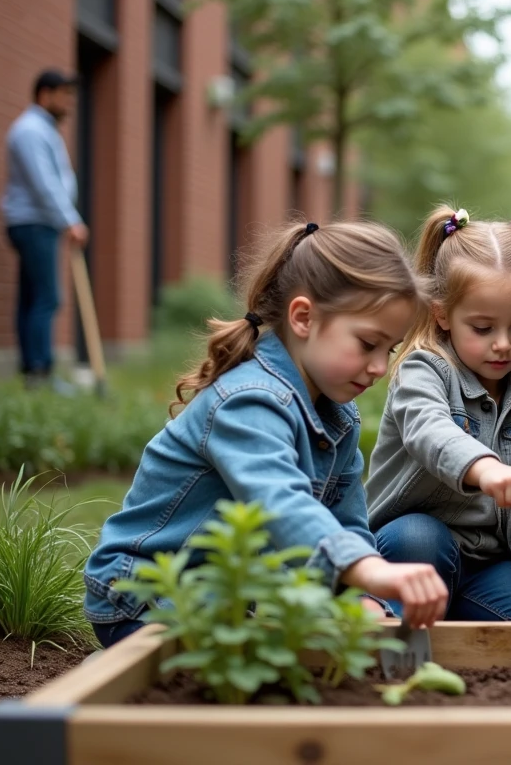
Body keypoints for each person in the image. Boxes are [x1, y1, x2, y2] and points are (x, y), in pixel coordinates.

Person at [84, 220, 448, 647]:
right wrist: (370, 568)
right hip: (147, 598)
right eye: (367, 344)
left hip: (228, 602)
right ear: (303, 318)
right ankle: (121, 682)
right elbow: (281, 502)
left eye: (388, 349)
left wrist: (364, 597)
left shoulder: (339, 418)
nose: (379, 367)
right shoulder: (248, 400)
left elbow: (347, 522)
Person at [366, 206, 511, 621]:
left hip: (486, 568)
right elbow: (428, 431)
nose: (503, 344)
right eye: (483, 329)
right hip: (411, 557)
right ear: (442, 313)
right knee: (419, 537)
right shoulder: (423, 370)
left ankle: (454, 618)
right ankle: (390, 624)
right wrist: (485, 468)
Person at [2, 69, 90, 390]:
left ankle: (32, 372)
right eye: (64, 94)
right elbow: (45, 184)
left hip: (38, 222)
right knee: (47, 298)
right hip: (34, 223)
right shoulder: (30, 131)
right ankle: (41, 373)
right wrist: (70, 220)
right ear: (45, 94)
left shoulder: (43, 130)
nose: (70, 101)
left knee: (32, 297)